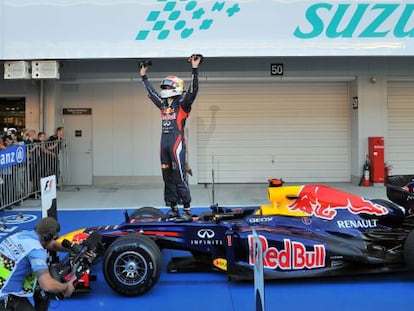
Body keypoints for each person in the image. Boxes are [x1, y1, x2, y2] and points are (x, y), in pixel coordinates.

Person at [140, 54, 203, 221]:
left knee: (180, 177)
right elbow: (152, 92)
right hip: (163, 144)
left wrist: (194, 69)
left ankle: (187, 210)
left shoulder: (183, 105)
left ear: (175, 88)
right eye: (165, 87)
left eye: (167, 88)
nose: (164, 90)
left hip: (176, 144)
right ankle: (173, 208)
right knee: (167, 177)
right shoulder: (163, 105)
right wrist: (144, 76)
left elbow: (193, 90)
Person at [0, 217, 75, 311]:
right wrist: (66, 286)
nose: (54, 241)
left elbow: (51, 244)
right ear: (47, 237)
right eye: (54, 238)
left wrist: (74, 249)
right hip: (5, 298)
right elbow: (47, 285)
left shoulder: (23, 234)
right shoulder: (36, 250)